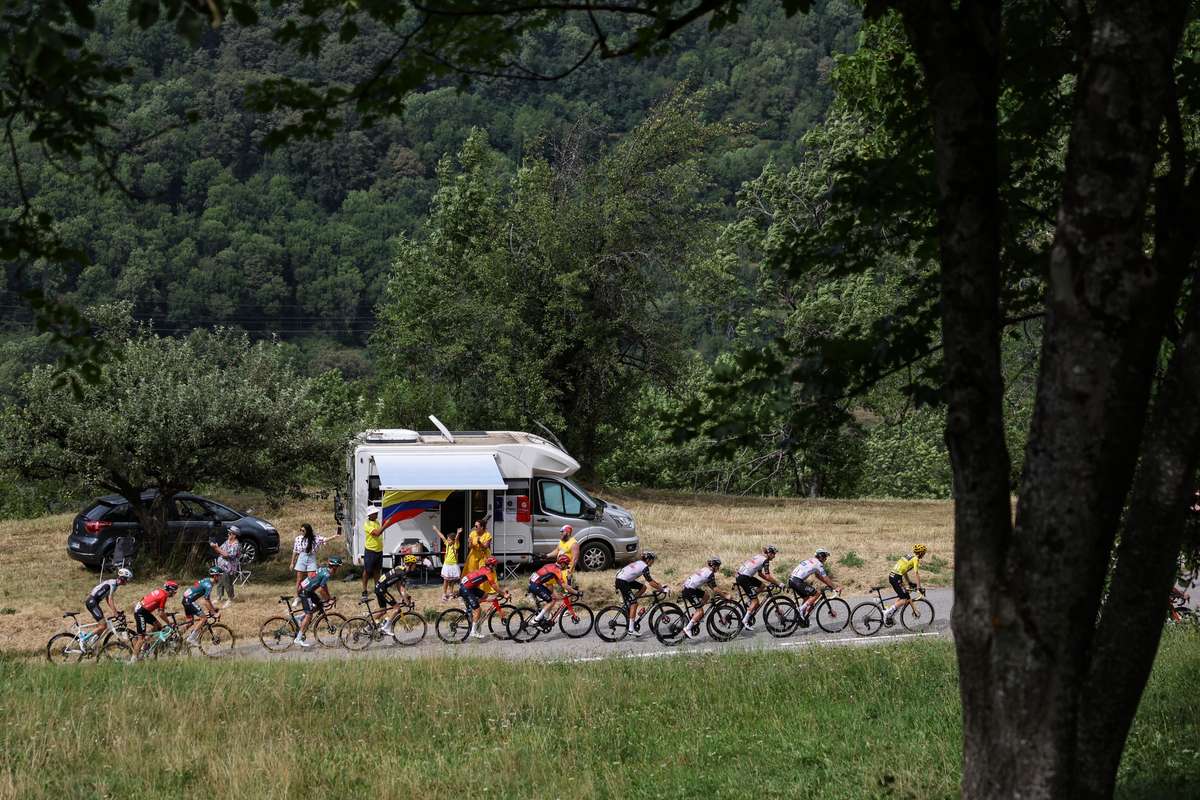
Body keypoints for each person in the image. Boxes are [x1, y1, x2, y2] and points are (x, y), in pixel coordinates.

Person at [614, 550, 670, 637]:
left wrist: (660, 586)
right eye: (652, 560)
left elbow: (650, 581)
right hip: (622, 581)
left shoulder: (640, 563)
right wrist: (662, 590)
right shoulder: (644, 567)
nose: (653, 562)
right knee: (634, 604)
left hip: (622, 579)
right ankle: (631, 629)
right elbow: (651, 582)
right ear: (648, 559)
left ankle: (629, 601)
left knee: (643, 587)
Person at [295, 556, 344, 648]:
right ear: (334, 567)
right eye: (338, 566)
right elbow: (321, 590)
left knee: (319, 605)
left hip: (307, 590)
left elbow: (324, 586)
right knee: (309, 615)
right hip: (305, 592)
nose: (338, 569)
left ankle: (300, 618)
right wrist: (328, 600)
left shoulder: (324, 570)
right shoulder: (327, 574)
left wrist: (328, 597)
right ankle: (298, 638)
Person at [459, 555, 508, 639]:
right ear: (491, 565)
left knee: (485, 595)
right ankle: (473, 632)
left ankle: (472, 605)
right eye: (495, 565)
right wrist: (503, 594)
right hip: (466, 588)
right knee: (478, 610)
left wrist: (500, 592)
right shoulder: (488, 572)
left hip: (469, 587)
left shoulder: (483, 568)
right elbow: (494, 586)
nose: (496, 567)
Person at [789, 548, 840, 627]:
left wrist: (829, 585)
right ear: (821, 556)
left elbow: (818, 576)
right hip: (797, 581)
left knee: (807, 598)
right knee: (817, 594)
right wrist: (834, 587)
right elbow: (825, 577)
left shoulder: (811, 560)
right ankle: (800, 610)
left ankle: (801, 619)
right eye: (825, 556)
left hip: (793, 580)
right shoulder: (818, 564)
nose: (826, 559)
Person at [735, 545, 780, 631]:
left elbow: (760, 574)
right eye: (774, 554)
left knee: (762, 586)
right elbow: (767, 576)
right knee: (756, 602)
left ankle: (750, 600)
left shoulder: (759, 556)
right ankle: (745, 621)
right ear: (770, 553)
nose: (774, 556)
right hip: (744, 578)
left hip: (742, 575)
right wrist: (778, 583)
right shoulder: (765, 560)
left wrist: (771, 581)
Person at [681, 557, 728, 639]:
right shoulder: (710, 573)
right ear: (713, 566)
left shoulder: (705, 569)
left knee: (706, 596)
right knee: (700, 611)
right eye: (718, 566)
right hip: (689, 590)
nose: (718, 568)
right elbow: (714, 588)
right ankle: (687, 628)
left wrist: (721, 592)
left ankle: (696, 614)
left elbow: (711, 586)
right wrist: (725, 596)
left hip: (689, 588)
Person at [131, 580, 178, 659]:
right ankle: (133, 660)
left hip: (143, 610)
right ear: (170, 590)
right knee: (141, 638)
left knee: (158, 625)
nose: (174, 593)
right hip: (141, 612)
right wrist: (169, 623)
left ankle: (146, 643)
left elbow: (148, 600)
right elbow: (160, 613)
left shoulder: (160, 591)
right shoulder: (164, 596)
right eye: (174, 591)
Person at [83, 568, 132, 644]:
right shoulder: (112, 584)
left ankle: (91, 643)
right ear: (123, 578)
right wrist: (116, 614)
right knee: (103, 626)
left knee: (102, 626)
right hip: (92, 602)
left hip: (93, 602)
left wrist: (116, 612)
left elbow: (107, 599)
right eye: (127, 579)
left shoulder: (114, 584)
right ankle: (84, 639)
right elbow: (110, 600)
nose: (128, 581)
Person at [376, 552, 420, 636]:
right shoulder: (402, 573)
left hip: (378, 588)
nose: (415, 566)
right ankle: (385, 628)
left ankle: (368, 627)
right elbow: (402, 589)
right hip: (382, 590)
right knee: (397, 608)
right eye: (415, 564)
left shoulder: (399, 569)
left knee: (383, 610)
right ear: (410, 564)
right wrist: (407, 601)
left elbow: (399, 586)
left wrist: (405, 597)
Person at [291, 522, 342, 594]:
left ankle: (310, 595)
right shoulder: (298, 538)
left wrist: (335, 536)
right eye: (300, 530)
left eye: (303, 530)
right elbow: (295, 551)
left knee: (312, 578)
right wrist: (292, 563)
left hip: (311, 558)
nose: (301, 532)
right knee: (299, 579)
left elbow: (324, 539)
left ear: (307, 531)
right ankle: (298, 596)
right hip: (302, 557)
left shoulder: (315, 538)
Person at [883, 544, 928, 625]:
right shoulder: (916, 559)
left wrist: (909, 582)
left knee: (904, 595)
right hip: (896, 578)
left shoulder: (908, 556)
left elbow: (904, 572)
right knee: (904, 599)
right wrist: (919, 587)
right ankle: (887, 612)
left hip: (893, 576)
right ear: (921, 553)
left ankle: (891, 615)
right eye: (924, 553)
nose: (924, 555)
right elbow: (916, 574)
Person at [527, 554, 573, 630]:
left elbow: (559, 583)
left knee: (553, 598)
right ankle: (536, 620)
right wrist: (576, 592)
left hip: (533, 583)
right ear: (562, 563)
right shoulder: (557, 570)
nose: (567, 566)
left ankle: (544, 620)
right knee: (551, 601)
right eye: (566, 564)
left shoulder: (551, 565)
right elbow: (563, 585)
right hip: (535, 585)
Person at [181, 567, 221, 644]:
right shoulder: (209, 585)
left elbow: (208, 600)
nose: (220, 578)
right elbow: (205, 601)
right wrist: (214, 613)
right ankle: (191, 639)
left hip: (185, 599)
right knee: (204, 618)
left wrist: (212, 609)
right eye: (220, 576)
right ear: (215, 576)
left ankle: (176, 637)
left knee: (189, 622)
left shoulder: (206, 580)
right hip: (189, 601)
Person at [210, 526, 241, 606]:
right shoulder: (227, 541)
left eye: (230, 533)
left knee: (228, 583)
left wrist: (218, 549)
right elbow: (220, 550)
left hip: (229, 568)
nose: (228, 534)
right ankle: (219, 597)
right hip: (221, 566)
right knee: (220, 582)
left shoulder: (236, 545)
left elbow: (227, 555)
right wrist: (215, 547)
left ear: (234, 535)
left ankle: (231, 599)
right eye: (228, 533)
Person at [435, 525, 462, 601]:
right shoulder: (447, 544)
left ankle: (451, 592)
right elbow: (442, 536)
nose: (448, 541)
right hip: (447, 565)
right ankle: (444, 593)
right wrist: (436, 529)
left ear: (453, 541)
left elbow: (456, 539)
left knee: (452, 580)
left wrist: (458, 533)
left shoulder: (455, 545)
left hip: (453, 565)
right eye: (448, 539)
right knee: (446, 580)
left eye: (449, 540)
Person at [361, 506, 384, 598]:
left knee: (377, 571)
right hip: (370, 550)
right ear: (370, 515)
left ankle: (377, 588)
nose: (377, 514)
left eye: (377, 512)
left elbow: (379, 532)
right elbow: (377, 533)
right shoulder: (367, 524)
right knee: (367, 571)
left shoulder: (377, 522)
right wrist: (386, 525)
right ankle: (364, 590)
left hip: (379, 550)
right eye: (375, 513)